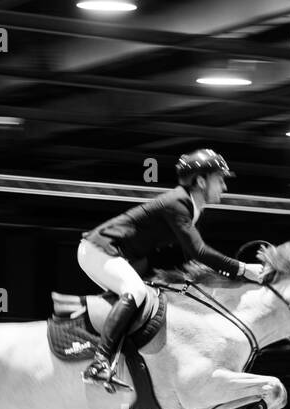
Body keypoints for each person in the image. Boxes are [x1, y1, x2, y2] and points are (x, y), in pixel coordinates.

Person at [77, 148, 266, 391]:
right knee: (136, 292)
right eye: (220, 180)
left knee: (148, 298)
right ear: (200, 181)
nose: (224, 187)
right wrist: (242, 269)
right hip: (99, 249)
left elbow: (190, 256)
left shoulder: (187, 206)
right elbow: (198, 252)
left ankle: (122, 361)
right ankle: (99, 363)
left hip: (117, 255)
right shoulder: (178, 204)